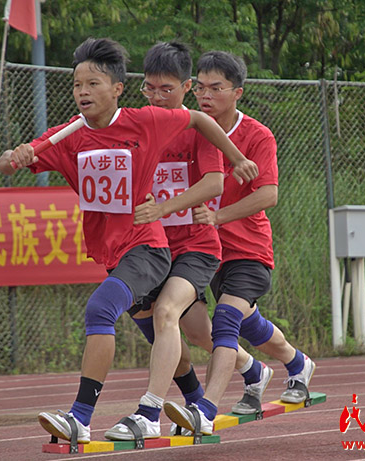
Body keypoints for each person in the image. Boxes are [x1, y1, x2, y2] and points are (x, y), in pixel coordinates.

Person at [0, 38, 258, 444]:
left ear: (117, 88)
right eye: (77, 84)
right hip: (114, 252)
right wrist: (16, 157)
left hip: (151, 247)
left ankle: (86, 417)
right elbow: (9, 164)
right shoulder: (67, 136)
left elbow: (201, 122)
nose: (83, 91)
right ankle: (197, 401)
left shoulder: (145, 121)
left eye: (93, 83)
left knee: (107, 309)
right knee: (163, 336)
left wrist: (236, 157)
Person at [104, 42, 264, 442]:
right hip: (154, 247)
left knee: (166, 314)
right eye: (150, 89)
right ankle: (252, 369)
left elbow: (214, 182)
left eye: (167, 90)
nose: (157, 97)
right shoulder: (136, 126)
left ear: (186, 88)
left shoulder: (196, 127)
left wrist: (165, 207)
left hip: (197, 245)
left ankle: (148, 411)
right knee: (194, 333)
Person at [163, 50, 316, 436]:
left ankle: (205, 409)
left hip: (247, 249)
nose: (205, 95)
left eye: (217, 88)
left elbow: (268, 195)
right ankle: (285, 365)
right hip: (201, 251)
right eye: (200, 87)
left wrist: (218, 216)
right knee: (213, 328)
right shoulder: (186, 131)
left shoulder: (257, 135)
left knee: (229, 318)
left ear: (238, 93)